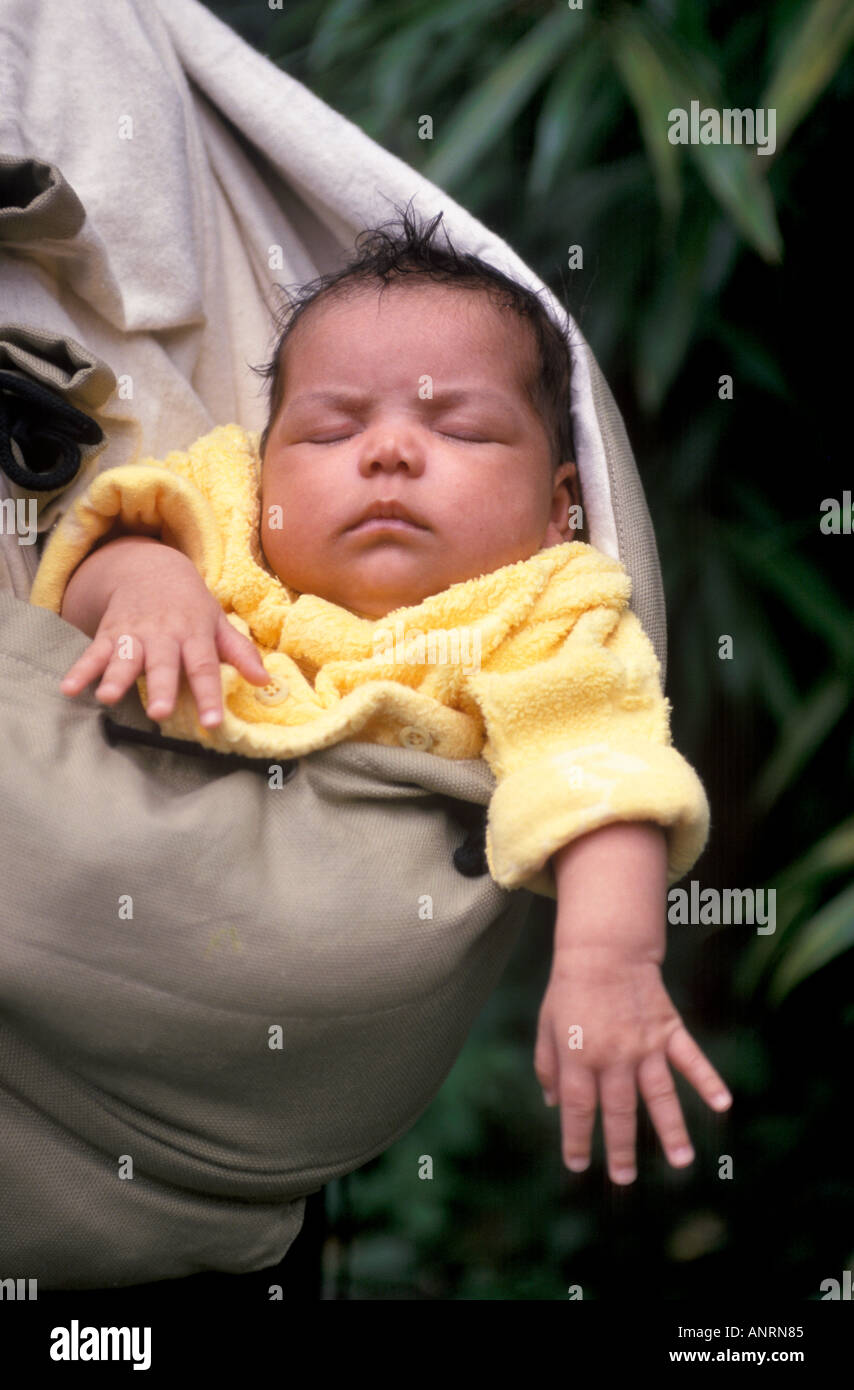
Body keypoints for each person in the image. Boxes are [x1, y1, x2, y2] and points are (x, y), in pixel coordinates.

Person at [31, 207, 732, 1213]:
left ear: (557, 507)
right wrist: (145, 585)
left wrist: (603, 959)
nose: (389, 452)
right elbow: (107, 534)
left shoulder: (539, 608)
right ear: (263, 459)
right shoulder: (221, 521)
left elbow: (599, 764)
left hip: (288, 997)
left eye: (458, 428)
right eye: (331, 428)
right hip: (88, 898)